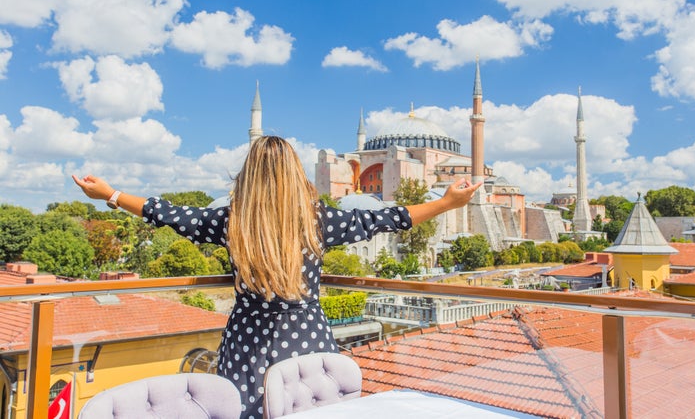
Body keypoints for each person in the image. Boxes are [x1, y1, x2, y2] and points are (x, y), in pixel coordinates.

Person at [73, 135, 481, 418]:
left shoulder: (232, 221)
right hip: (307, 337)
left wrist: (110, 194)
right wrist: (447, 202)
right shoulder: (317, 222)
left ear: (249, 175)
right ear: (293, 174)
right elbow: (389, 218)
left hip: (245, 339)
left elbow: (170, 214)